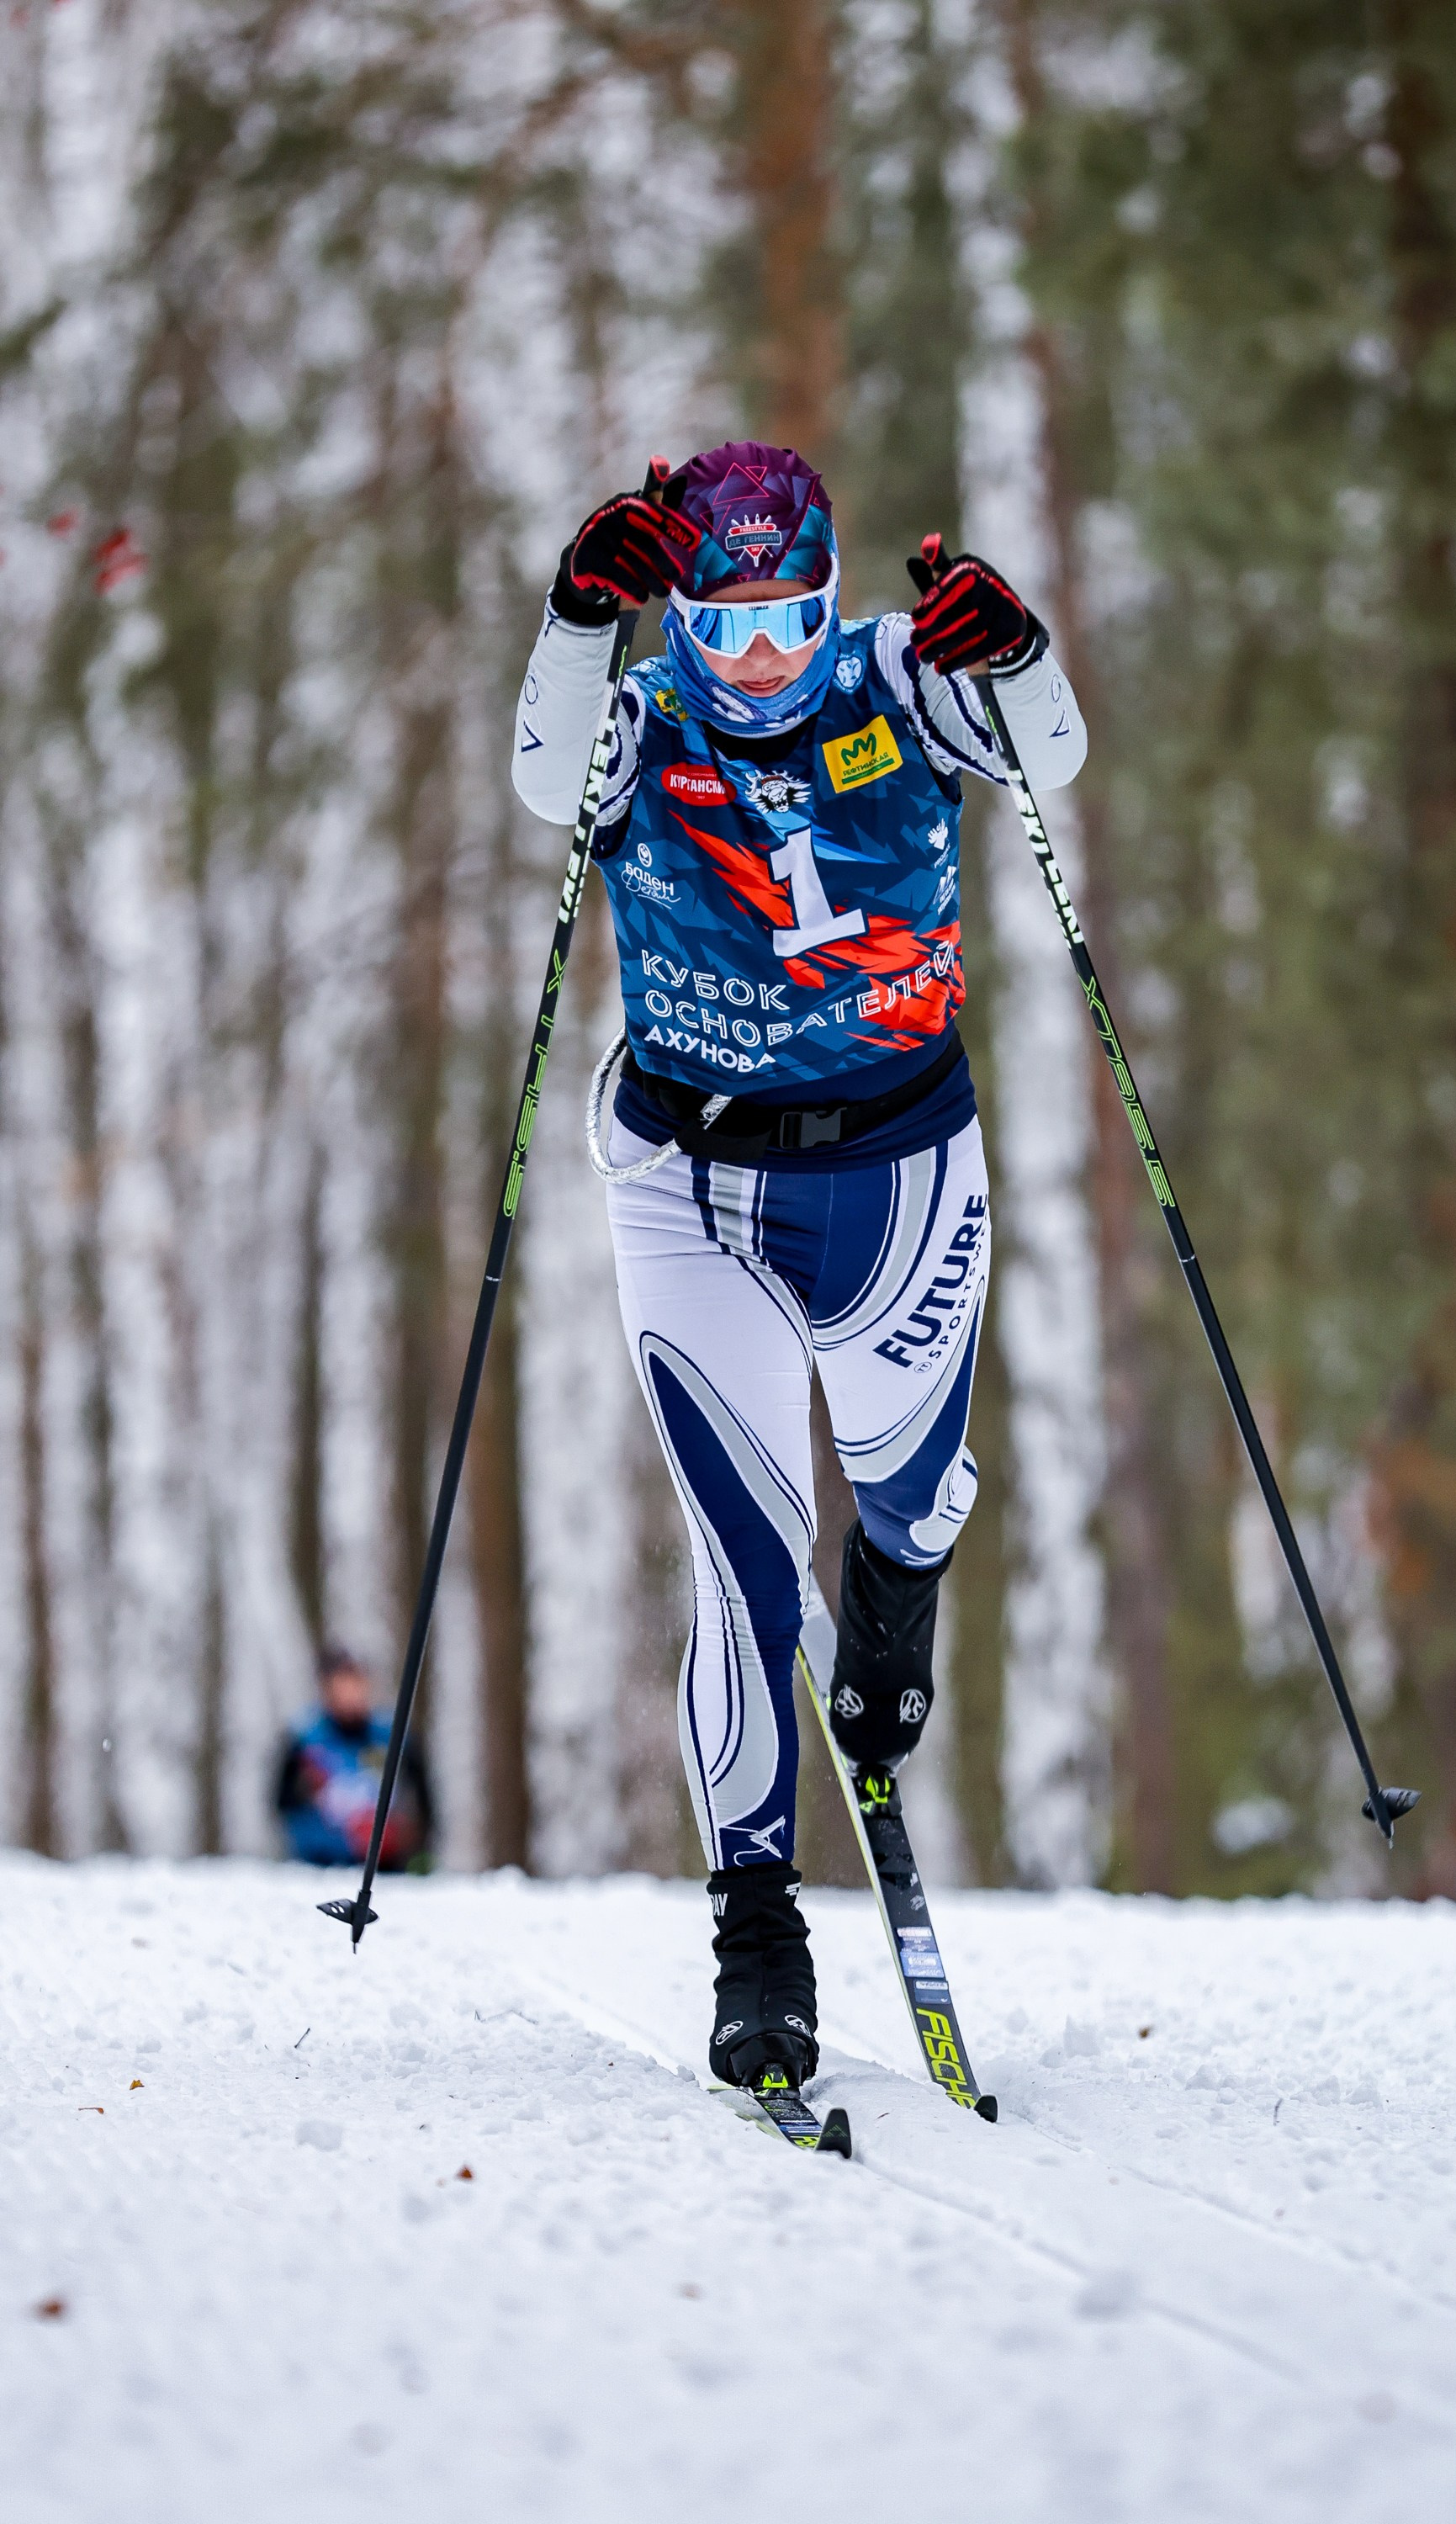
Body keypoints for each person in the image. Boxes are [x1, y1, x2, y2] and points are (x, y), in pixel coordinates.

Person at [511, 442, 1085, 2095]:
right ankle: (755, 1930)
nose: (751, 662)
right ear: (677, 610)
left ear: (827, 603)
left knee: (912, 1495)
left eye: (784, 622)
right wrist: (571, 617)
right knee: (742, 1558)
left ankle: (892, 1605)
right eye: (717, 622)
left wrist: (1019, 650)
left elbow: (1056, 754)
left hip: (902, 1170)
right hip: (690, 1185)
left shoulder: (899, 688)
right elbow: (550, 781)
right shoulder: (637, 720)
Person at [274, 1644, 435, 1871]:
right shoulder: (305, 1739)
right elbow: (283, 1802)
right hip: (320, 1864)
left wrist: (413, 1842)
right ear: (327, 1689)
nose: (351, 1696)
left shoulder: (394, 1737)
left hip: (386, 1866)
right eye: (342, 1687)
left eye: (356, 1685)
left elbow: (424, 1802)